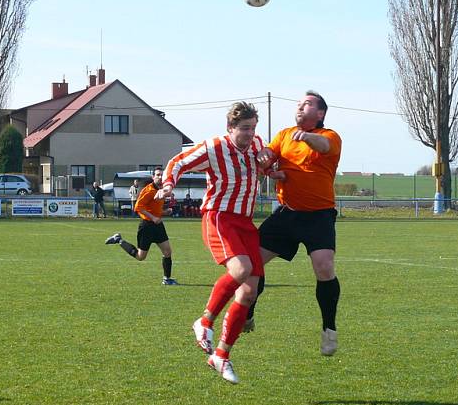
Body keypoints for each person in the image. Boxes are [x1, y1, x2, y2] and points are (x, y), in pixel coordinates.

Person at [158, 102, 283, 384]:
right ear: (231, 128)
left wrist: (272, 170)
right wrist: (168, 185)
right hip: (219, 217)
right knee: (240, 271)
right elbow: (178, 162)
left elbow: (263, 166)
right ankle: (204, 322)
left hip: (245, 222)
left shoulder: (257, 145)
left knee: (250, 292)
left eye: (253, 128)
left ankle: (221, 355)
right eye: (244, 129)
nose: (250, 134)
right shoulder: (215, 147)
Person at [250, 90, 342, 356]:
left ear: (320, 113)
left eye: (307, 104)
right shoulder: (284, 134)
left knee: (324, 268)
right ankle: (248, 311)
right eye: (299, 104)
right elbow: (269, 153)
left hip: (319, 216)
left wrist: (308, 137)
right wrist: (266, 159)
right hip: (287, 214)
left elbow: (324, 148)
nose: (300, 107)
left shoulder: (329, 136)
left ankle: (329, 330)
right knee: (251, 262)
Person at [105, 167, 177, 285]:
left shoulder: (162, 190)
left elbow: (153, 209)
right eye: (157, 175)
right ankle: (119, 240)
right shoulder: (148, 190)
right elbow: (138, 208)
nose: (160, 177)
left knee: (167, 252)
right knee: (140, 256)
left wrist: (164, 212)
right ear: (153, 177)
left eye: (161, 175)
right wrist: (153, 218)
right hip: (147, 226)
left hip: (158, 226)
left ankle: (167, 279)